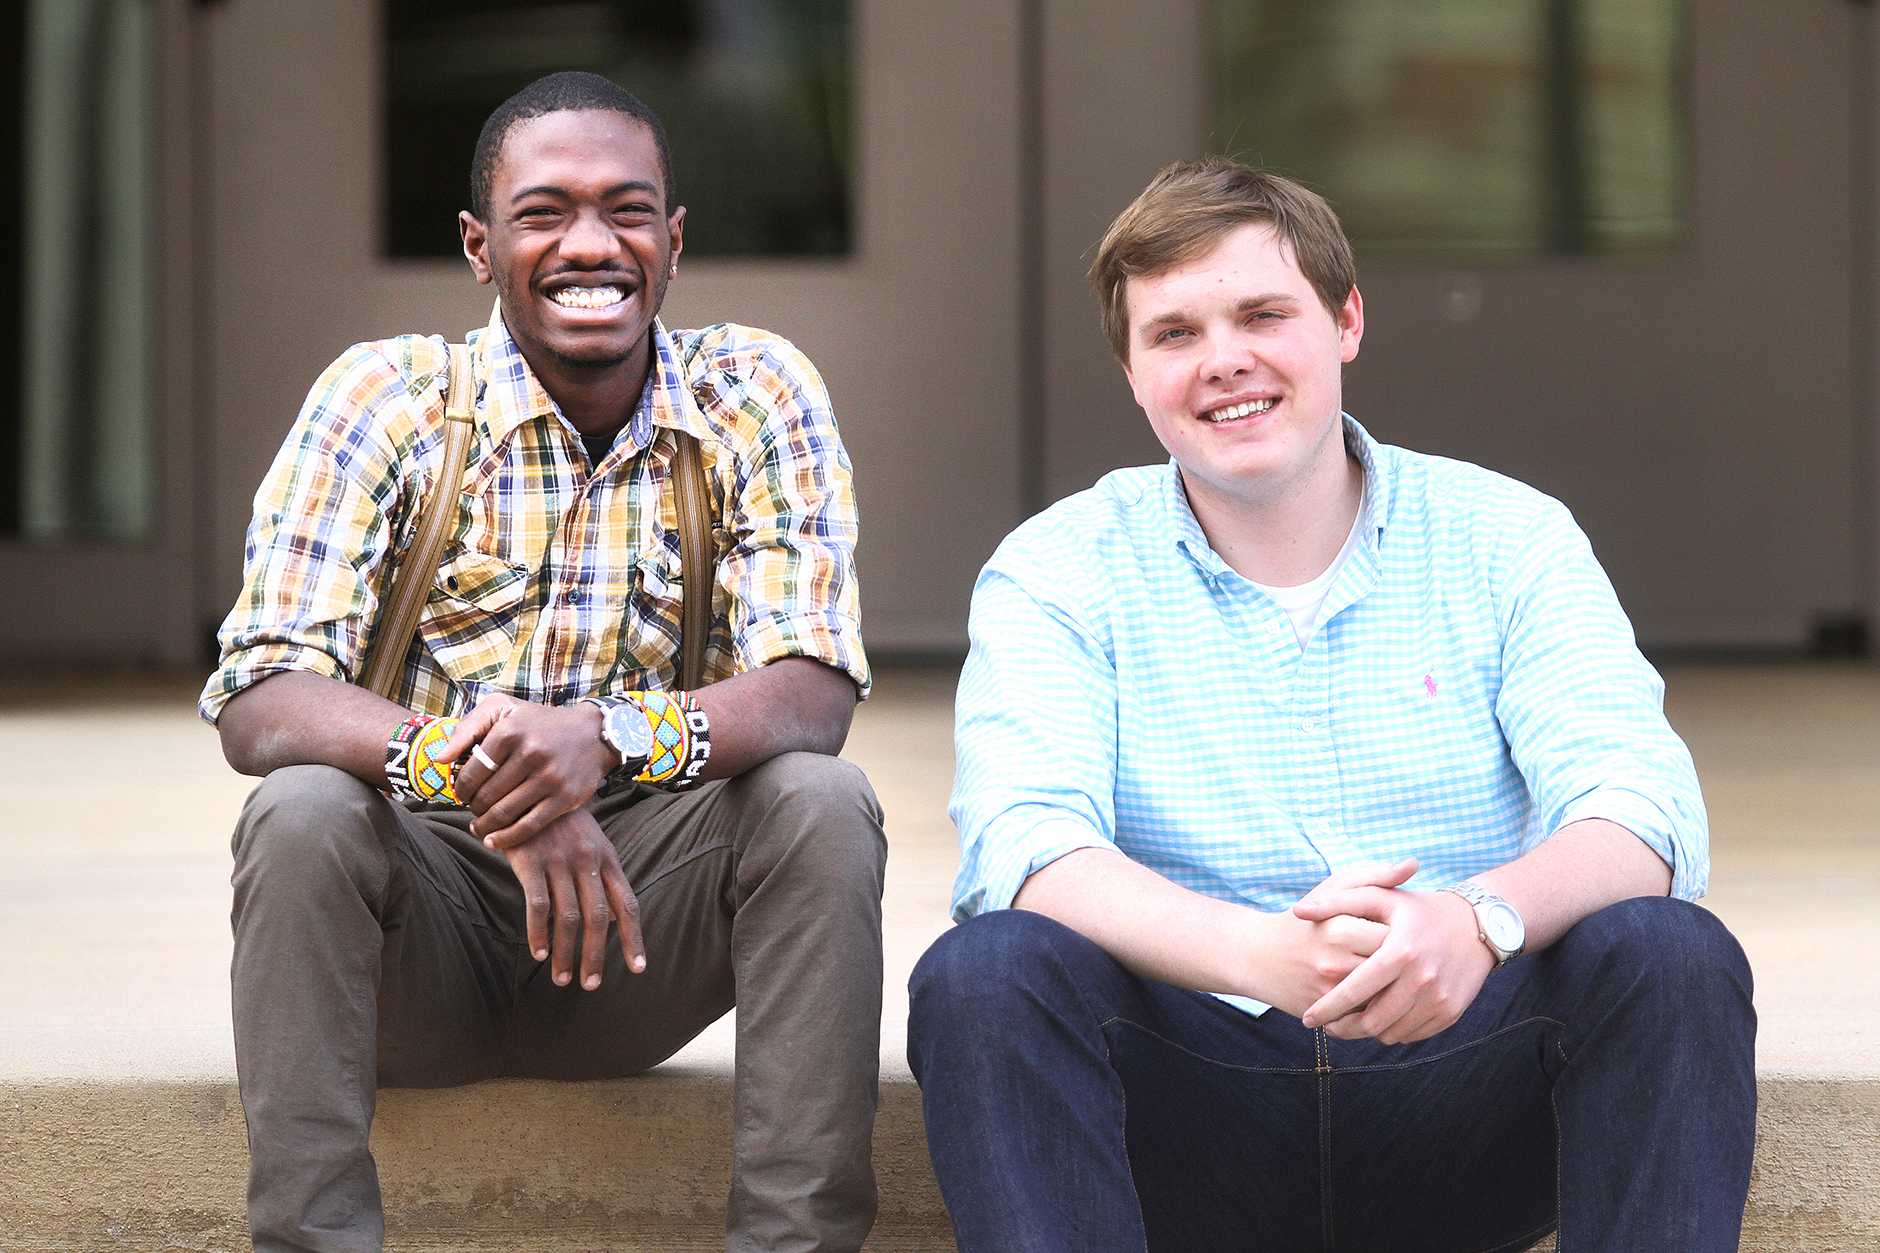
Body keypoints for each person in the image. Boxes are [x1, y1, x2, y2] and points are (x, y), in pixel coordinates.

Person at [908, 158, 1756, 1251]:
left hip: (1464, 1083)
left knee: (1667, 951)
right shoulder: (1058, 566)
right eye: (1173, 333)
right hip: (1185, 1104)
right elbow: (1020, 845)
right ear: (1130, 369)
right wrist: (1261, 956)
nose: (1224, 360)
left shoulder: (1506, 536)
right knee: (984, 974)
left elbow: (1641, 806)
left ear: (1346, 319)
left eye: (1263, 312)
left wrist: (1476, 922)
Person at [201, 71, 884, 1252]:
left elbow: (811, 689)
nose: (590, 244)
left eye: (626, 211)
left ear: (671, 242)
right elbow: (261, 697)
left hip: (638, 929)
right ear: (479, 244)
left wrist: (606, 739)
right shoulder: (388, 396)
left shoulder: (753, 391)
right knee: (302, 811)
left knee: (819, 802)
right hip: (420, 935)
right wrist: (501, 778)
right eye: (543, 212)